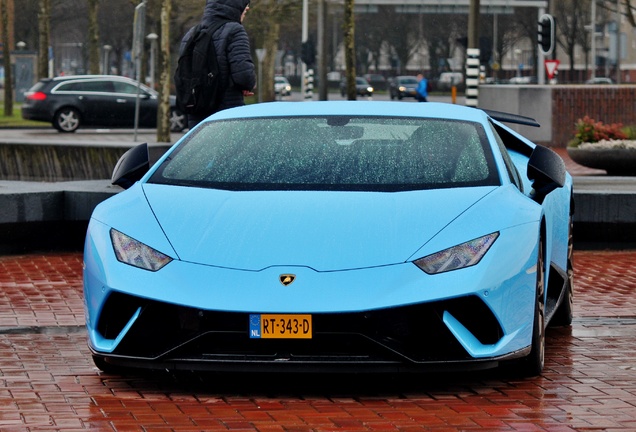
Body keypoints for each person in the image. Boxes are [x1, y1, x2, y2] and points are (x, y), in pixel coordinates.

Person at [180, 0, 256, 129]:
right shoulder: (235, 31)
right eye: (244, 3)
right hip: (226, 114)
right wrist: (247, 85)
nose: (247, 8)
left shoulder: (191, 33)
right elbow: (243, 76)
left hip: (197, 115)